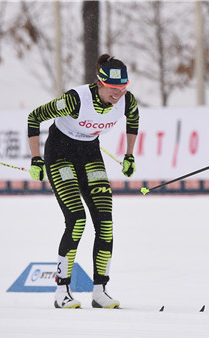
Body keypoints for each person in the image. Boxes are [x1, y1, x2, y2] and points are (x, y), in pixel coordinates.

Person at [27, 54, 139, 309]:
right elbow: (34, 118)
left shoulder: (126, 101)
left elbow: (133, 120)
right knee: (77, 220)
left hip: (89, 154)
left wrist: (129, 154)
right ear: (100, 83)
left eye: (122, 89)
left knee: (105, 221)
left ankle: (100, 291)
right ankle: (61, 290)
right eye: (113, 89)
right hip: (60, 154)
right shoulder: (76, 100)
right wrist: (36, 158)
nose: (118, 94)